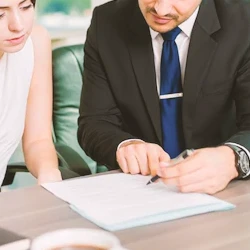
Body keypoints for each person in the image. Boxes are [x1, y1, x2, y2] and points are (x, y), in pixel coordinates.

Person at [78, 0, 250, 194]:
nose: (161, 9)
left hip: (230, 190)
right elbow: (94, 122)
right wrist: (125, 145)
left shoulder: (243, 21)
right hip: (143, 192)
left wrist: (233, 159)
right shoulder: (107, 21)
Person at [0, 0, 62, 186]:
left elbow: (38, 140)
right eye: (0, 14)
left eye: (25, 7)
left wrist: (48, 173)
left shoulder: (35, 42)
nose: (18, 25)